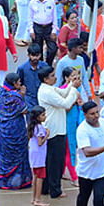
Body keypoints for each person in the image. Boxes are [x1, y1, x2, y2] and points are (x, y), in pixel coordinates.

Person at [38, 66, 80, 199]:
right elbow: (66, 103)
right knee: (56, 162)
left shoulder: (49, 88)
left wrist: (70, 85)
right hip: (55, 130)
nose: (55, 77)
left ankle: (47, 188)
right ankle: (55, 190)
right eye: (52, 76)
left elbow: (62, 93)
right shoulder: (47, 92)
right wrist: (73, 88)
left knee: (51, 161)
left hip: (55, 128)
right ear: (45, 79)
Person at [0, 72, 32, 191]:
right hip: (15, 129)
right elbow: (25, 110)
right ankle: (17, 182)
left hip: (2, 129)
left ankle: (5, 180)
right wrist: (22, 95)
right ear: (14, 83)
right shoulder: (15, 96)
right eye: (19, 82)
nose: (21, 84)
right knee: (18, 153)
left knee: (5, 153)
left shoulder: (2, 92)